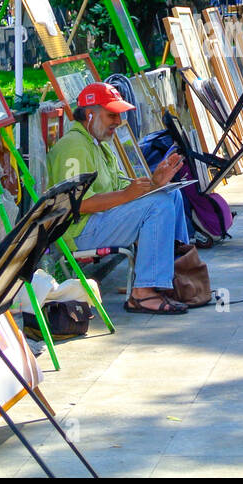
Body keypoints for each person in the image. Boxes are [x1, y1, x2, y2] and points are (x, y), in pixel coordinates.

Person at [47, 82, 193, 315]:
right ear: (90, 114)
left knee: (170, 194)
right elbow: (77, 204)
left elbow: (122, 186)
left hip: (102, 222)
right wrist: (129, 194)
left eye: (119, 114)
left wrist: (155, 183)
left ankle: (175, 277)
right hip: (80, 233)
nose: (118, 121)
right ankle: (143, 294)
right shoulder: (73, 146)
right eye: (111, 115)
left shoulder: (98, 144)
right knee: (160, 204)